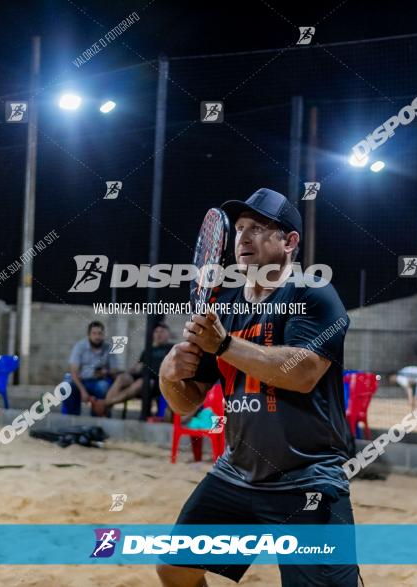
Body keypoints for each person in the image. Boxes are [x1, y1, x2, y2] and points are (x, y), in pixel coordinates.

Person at [156, 188, 362, 587]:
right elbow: (187, 403)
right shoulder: (226, 306)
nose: (243, 238)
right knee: (175, 567)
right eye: (239, 229)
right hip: (238, 472)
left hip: (308, 478)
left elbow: (301, 372)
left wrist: (225, 345)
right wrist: (168, 375)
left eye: (259, 228)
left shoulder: (312, 292)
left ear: (290, 241)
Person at [94, 322, 174, 418]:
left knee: (141, 382)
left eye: (162, 331)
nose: (158, 334)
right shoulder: (148, 350)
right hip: (141, 376)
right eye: (156, 331)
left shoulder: (172, 348)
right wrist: (126, 372)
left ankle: (105, 404)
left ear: (168, 334)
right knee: (122, 378)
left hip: (157, 381)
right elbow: (138, 366)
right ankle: (105, 409)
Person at [63, 321, 121, 416]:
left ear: (103, 334)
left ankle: (97, 418)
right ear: (88, 335)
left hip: (98, 381)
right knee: (66, 387)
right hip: (80, 381)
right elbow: (73, 372)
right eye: (94, 333)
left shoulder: (109, 348)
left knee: (103, 387)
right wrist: (83, 391)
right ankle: (70, 418)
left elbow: (115, 369)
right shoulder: (80, 347)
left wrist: (105, 371)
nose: (97, 337)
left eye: (100, 333)